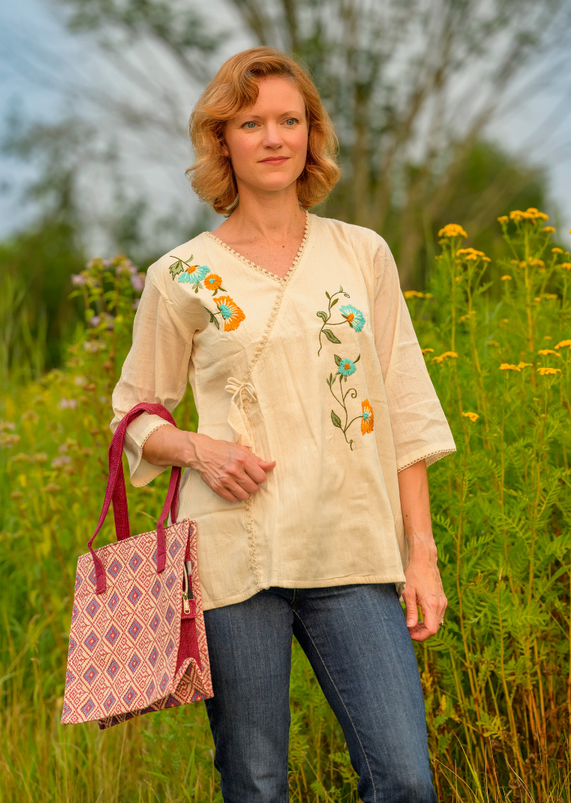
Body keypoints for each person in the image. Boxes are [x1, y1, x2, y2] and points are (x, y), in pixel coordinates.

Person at [111, 46, 456, 803]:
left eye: (289, 120)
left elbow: (404, 406)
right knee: (257, 783)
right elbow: (134, 414)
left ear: (311, 133)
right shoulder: (181, 274)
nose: (273, 137)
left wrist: (420, 554)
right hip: (237, 555)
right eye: (251, 121)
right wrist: (199, 448)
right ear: (221, 140)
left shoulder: (361, 253)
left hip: (354, 552)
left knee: (403, 778)